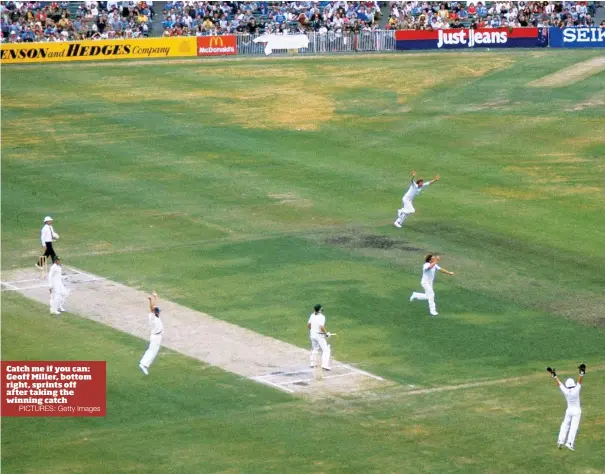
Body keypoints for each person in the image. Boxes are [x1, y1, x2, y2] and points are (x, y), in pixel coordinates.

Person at [548, 364, 586, 451]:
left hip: (569, 411)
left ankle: (560, 440)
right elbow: (580, 381)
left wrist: (554, 375)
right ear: (573, 383)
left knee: (565, 425)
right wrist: (581, 372)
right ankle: (569, 443)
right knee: (573, 427)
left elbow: (559, 383)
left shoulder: (565, 390)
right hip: (576, 411)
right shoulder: (576, 389)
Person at [139, 291, 163, 375]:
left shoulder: (156, 315)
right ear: (155, 312)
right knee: (152, 351)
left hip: (159, 336)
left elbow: (155, 305)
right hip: (155, 337)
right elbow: (152, 308)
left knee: (154, 351)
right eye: (158, 311)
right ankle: (143, 364)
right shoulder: (152, 317)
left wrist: (155, 297)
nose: (159, 312)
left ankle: (145, 364)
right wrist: (150, 300)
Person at [307, 304, 332, 371]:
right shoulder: (322, 317)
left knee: (315, 348)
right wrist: (326, 334)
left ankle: (313, 363)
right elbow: (321, 327)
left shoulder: (312, 315)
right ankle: (325, 365)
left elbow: (308, 325)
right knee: (326, 349)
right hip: (319, 335)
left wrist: (313, 331)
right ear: (320, 309)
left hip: (312, 334)